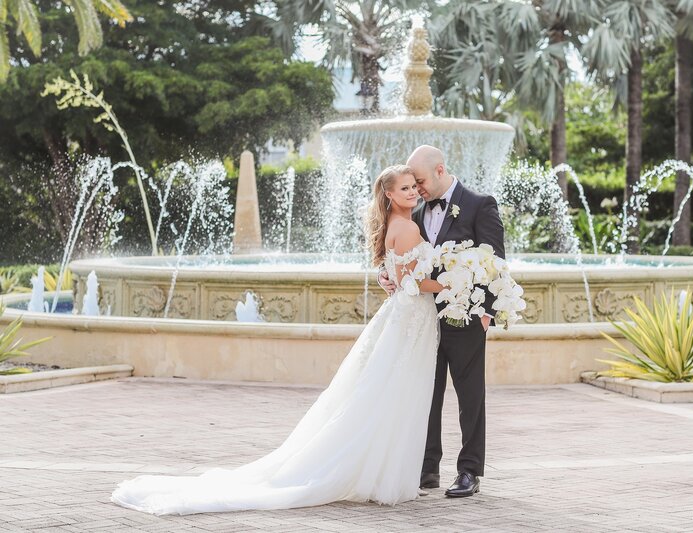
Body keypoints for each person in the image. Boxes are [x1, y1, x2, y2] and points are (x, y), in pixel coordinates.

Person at [110, 165, 445, 515]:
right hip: (410, 319)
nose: (412, 192)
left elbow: (394, 272)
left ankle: (383, 472)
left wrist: (395, 277)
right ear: (389, 194)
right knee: (398, 392)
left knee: (392, 393)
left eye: (413, 187)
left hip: (406, 320)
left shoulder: (398, 223)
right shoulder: (406, 226)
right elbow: (412, 283)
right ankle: (382, 476)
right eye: (404, 188)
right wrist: (453, 283)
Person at [379, 145, 505, 498]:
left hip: (466, 319)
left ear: (439, 170)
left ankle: (469, 471)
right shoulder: (414, 211)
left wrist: (485, 314)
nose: (416, 189)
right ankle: (427, 468)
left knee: (470, 398)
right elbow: (402, 259)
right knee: (426, 395)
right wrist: (384, 276)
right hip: (423, 318)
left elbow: (496, 261)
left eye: (418, 181)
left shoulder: (481, 205)